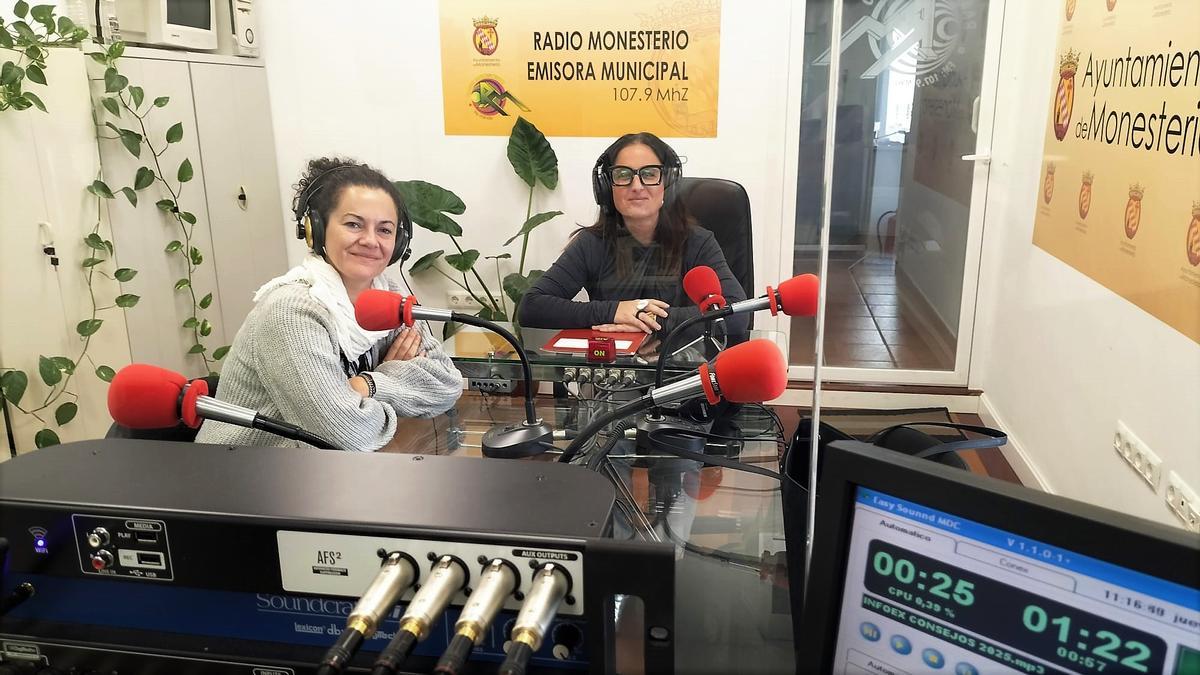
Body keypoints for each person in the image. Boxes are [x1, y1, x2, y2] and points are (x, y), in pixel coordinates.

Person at [196, 158, 462, 451]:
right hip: (243, 481)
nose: (371, 240)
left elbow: (447, 385)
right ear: (316, 229)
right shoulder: (291, 312)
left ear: (399, 242)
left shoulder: (389, 295)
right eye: (353, 224)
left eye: (385, 230)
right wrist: (397, 381)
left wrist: (368, 385)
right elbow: (348, 434)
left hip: (328, 475)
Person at [518, 132, 748, 341]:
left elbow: (737, 314)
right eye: (623, 174)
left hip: (681, 372)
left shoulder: (698, 243)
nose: (636, 186)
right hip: (612, 376)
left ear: (667, 184)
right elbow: (532, 307)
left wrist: (654, 321)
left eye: (649, 174)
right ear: (607, 188)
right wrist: (614, 311)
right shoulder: (591, 244)